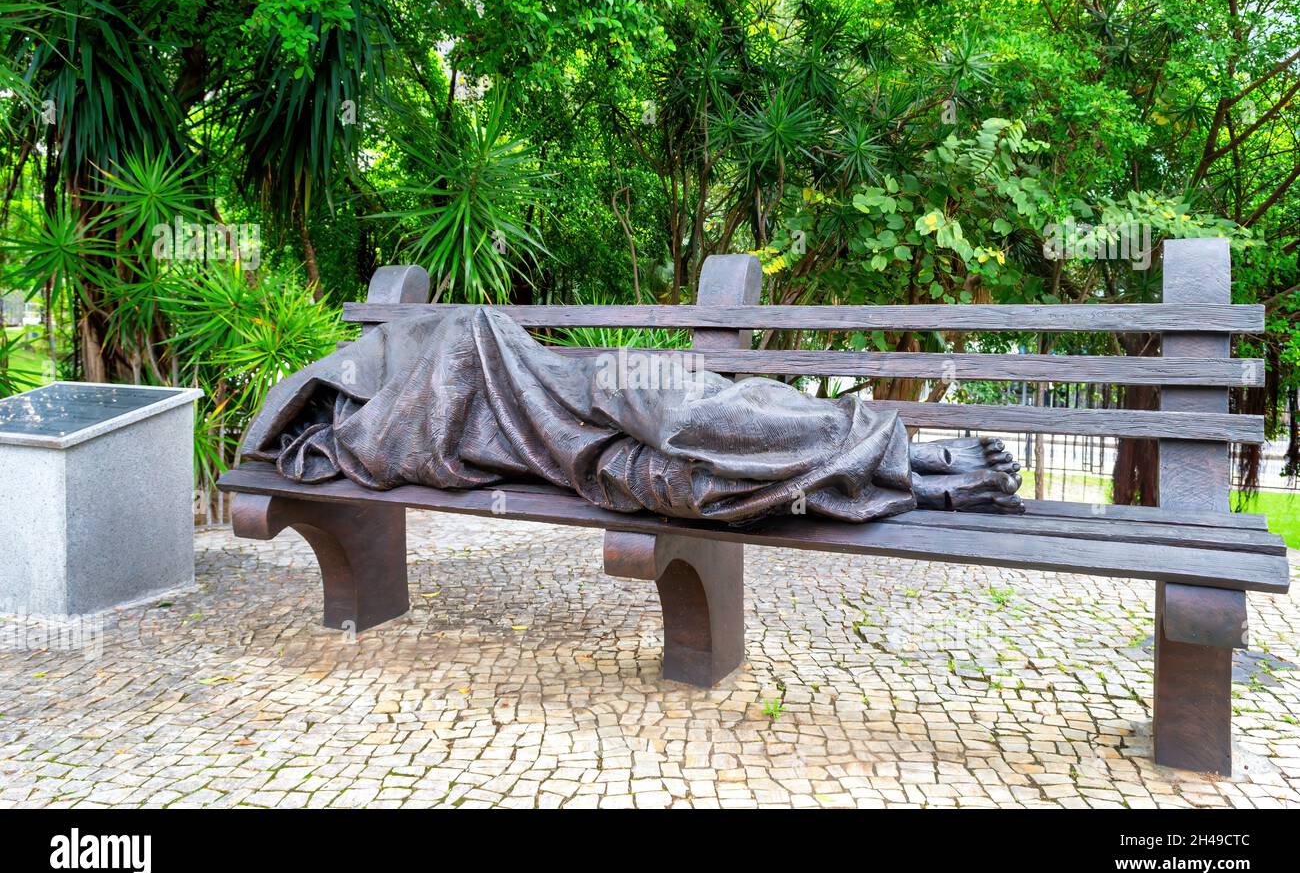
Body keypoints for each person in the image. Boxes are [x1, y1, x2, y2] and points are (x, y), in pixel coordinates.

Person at [243, 307, 1023, 524]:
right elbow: (401, 449)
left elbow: (474, 337)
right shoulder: (364, 437)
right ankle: (920, 479)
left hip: (591, 388)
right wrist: (347, 436)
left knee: (700, 415)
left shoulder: (407, 351)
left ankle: (902, 450)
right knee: (690, 486)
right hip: (572, 455)